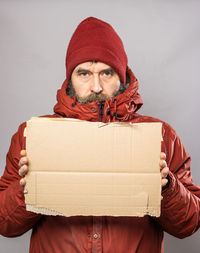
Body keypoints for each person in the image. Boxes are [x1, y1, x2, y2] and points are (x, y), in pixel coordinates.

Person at [0, 16, 199, 253]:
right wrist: (26, 188)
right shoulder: (31, 136)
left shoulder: (161, 136)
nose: (96, 86)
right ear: (70, 78)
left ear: (121, 78)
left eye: (106, 73)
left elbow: (189, 224)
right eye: (84, 73)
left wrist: (167, 188)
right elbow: (5, 225)